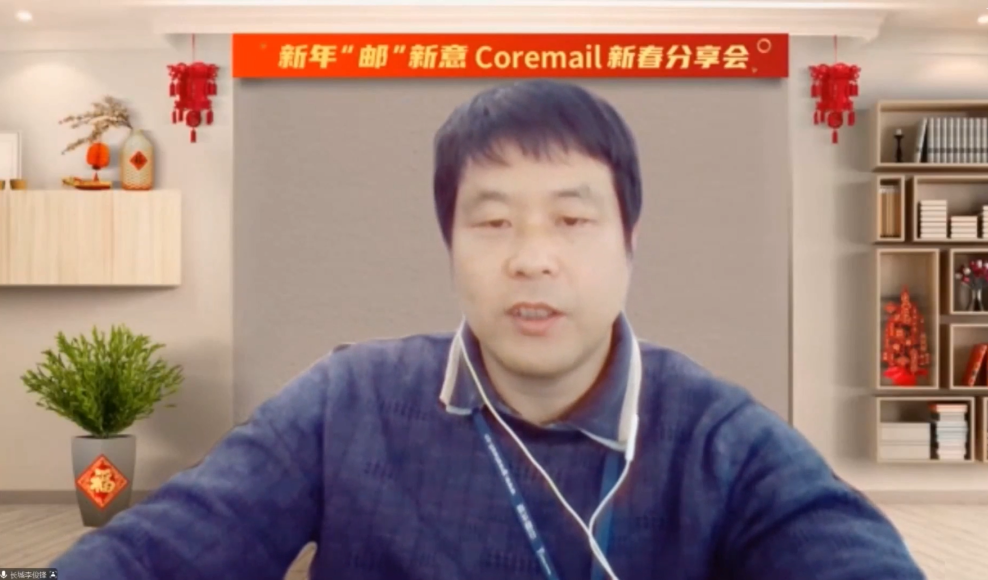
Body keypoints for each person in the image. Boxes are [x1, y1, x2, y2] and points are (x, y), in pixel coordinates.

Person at [51, 80, 926, 580]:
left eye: (571, 221)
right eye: (494, 222)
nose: (531, 259)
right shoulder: (349, 401)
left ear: (629, 241)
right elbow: (159, 553)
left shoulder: (718, 437)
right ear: (450, 244)